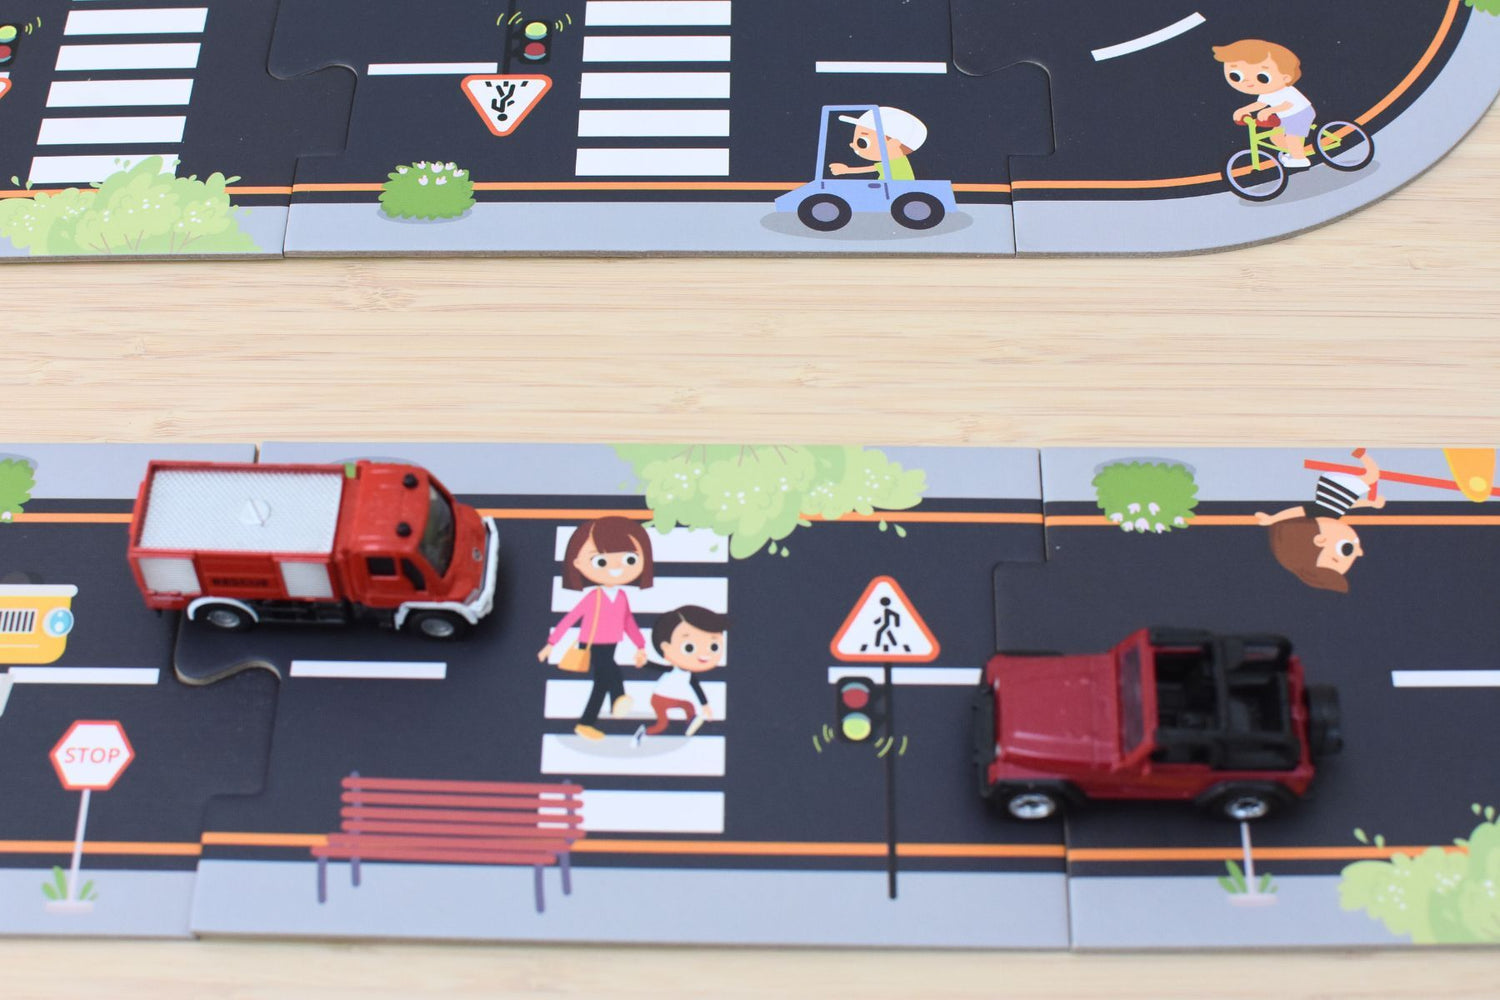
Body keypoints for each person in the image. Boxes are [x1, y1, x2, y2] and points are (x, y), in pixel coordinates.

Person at [537, 517, 654, 740]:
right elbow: (571, 618)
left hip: (611, 642)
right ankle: (618, 698)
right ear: (578, 563)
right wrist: (551, 643)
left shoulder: (621, 596)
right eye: (601, 561)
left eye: (629, 559)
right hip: (592, 643)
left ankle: (586, 723)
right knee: (611, 670)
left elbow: (628, 622)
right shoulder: (594, 596)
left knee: (600, 684)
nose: (616, 568)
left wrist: (640, 645)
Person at [1256, 449, 1386, 593]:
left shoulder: (1321, 512)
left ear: (1320, 540)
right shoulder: (1331, 516)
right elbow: (1347, 504)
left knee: (1372, 475)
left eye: (1347, 549)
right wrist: (1370, 504)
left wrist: (1272, 518)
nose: (1360, 552)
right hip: (1337, 487)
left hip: (1335, 485)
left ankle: (1361, 454)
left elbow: (1298, 511)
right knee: (1371, 476)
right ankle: (1358, 455)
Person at [1214, 39, 1315, 169]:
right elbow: (1259, 104)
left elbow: (1288, 105)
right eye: (1236, 76)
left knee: (1292, 137)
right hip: (1286, 117)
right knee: (1275, 138)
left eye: (1262, 77)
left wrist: (1270, 110)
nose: (1247, 82)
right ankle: (1294, 152)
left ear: (1286, 77)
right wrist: (1242, 110)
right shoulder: (1267, 92)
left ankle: (1300, 159)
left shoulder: (1285, 90)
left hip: (1301, 113)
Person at [635, 605, 729, 740]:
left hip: (671, 699)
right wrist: (644, 663)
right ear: (666, 647)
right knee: (662, 724)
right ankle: (643, 733)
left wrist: (705, 705)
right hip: (659, 699)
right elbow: (658, 667)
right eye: (689, 648)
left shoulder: (689, 675)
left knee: (688, 706)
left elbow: (697, 689)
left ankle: (691, 724)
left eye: (714, 647)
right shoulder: (673, 669)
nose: (704, 654)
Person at [828, 107, 927, 181]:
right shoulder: (895, 160)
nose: (852, 145)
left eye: (862, 141)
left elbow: (870, 169)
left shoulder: (896, 163)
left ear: (893, 143)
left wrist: (846, 170)